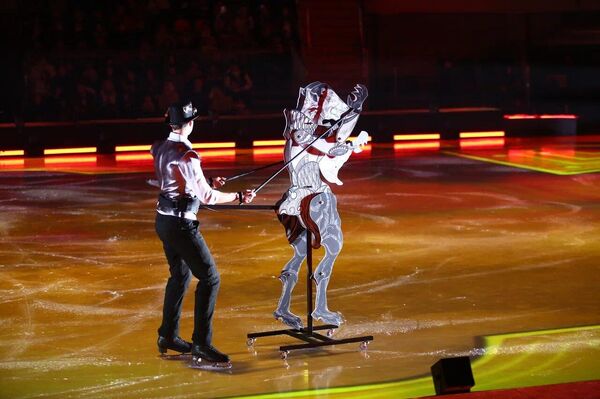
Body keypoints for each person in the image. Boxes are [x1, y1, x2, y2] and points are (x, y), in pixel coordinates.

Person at [152, 101, 255, 368]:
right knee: (210, 278)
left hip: (164, 221)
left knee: (180, 275)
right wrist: (239, 197)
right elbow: (206, 197)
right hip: (181, 226)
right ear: (189, 124)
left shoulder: (160, 147)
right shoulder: (188, 155)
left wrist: (207, 182)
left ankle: (168, 335)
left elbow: (178, 183)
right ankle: (201, 343)